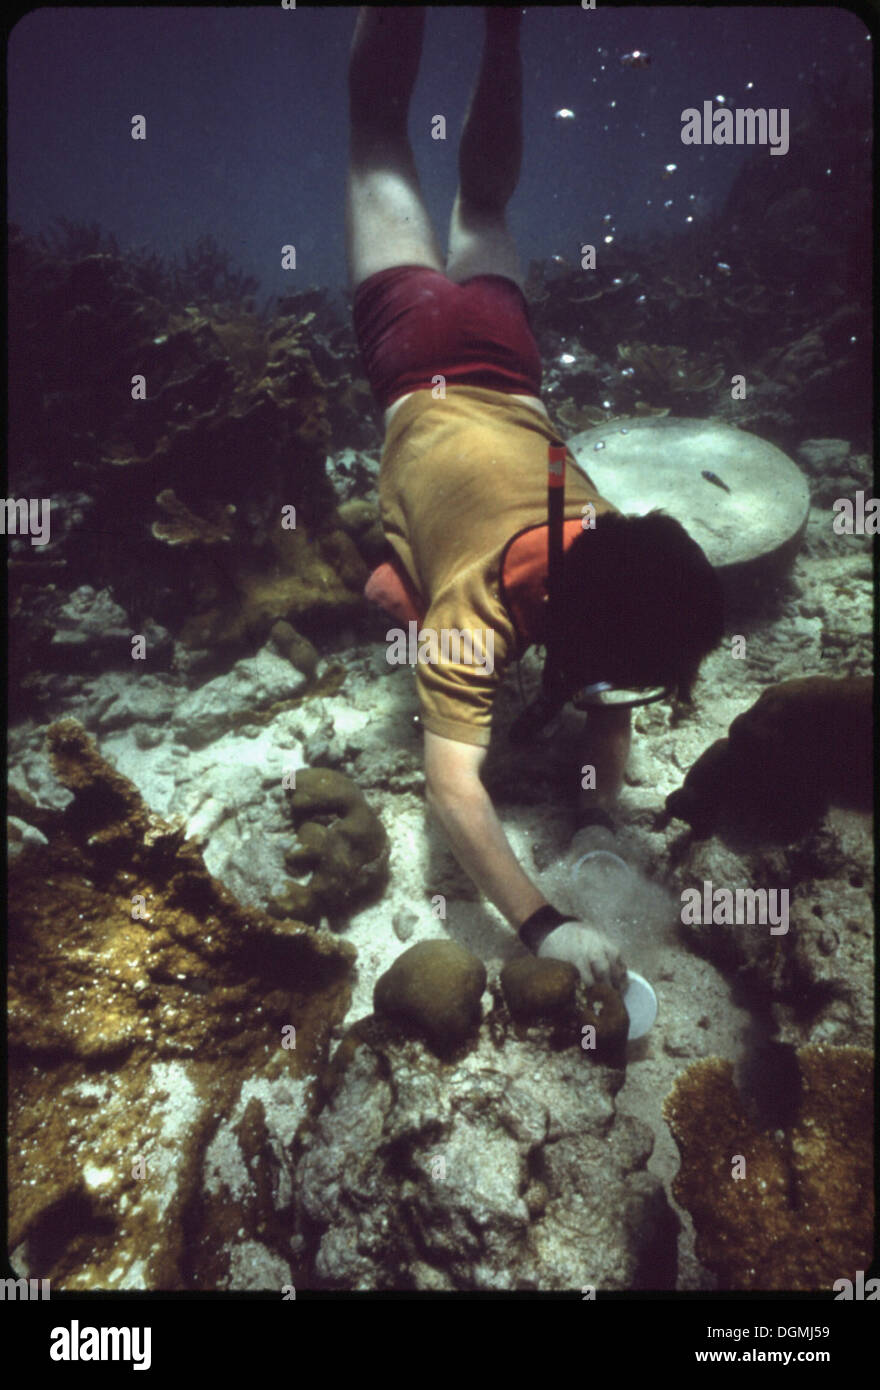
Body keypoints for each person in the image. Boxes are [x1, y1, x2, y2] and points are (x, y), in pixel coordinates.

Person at [346, 6, 724, 989]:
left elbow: (612, 672)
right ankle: (500, 29)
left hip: (501, 348)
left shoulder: (607, 540)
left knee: (478, 202)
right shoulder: (471, 614)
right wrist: (540, 922)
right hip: (410, 349)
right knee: (381, 137)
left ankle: (502, 28)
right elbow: (450, 786)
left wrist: (597, 816)